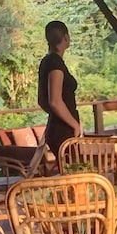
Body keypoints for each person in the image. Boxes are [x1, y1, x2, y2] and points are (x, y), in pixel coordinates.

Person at [37, 20, 83, 165]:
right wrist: (74, 124)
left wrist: (56, 116)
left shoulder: (47, 62)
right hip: (63, 130)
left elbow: (42, 101)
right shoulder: (55, 64)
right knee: (74, 172)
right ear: (66, 38)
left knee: (70, 170)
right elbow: (55, 102)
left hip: (57, 127)